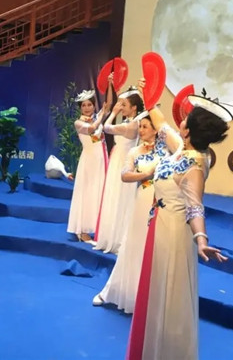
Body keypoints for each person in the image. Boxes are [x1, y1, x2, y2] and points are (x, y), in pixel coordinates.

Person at [126, 91, 231, 360]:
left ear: (187, 130)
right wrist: (148, 93)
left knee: (169, 299)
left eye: (186, 119)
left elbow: (195, 206)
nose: (180, 121)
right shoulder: (183, 148)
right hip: (159, 226)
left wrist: (201, 239)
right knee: (156, 295)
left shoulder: (194, 165)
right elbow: (160, 123)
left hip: (173, 234)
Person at [93, 111, 168, 312]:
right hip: (141, 200)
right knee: (134, 244)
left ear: (155, 130)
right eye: (140, 126)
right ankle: (121, 291)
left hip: (161, 203)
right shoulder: (135, 152)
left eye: (145, 127)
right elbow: (124, 175)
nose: (141, 130)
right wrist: (145, 174)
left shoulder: (167, 152)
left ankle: (149, 299)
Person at [94, 86, 144, 253]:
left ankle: (118, 238)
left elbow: (107, 127)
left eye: (124, 105)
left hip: (123, 162)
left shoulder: (131, 125)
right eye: (120, 104)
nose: (121, 107)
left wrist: (113, 113)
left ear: (134, 107)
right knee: (114, 197)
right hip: (118, 160)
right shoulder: (130, 122)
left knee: (120, 198)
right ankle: (110, 235)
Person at [67, 89, 109, 242]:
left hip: (100, 160)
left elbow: (109, 104)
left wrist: (110, 83)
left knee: (98, 193)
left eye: (89, 105)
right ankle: (82, 230)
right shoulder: (79, 123)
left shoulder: (97, 117)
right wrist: (101, 116)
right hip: (89, 161)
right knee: (86, 193)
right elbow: (92, 129)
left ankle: (95, 228)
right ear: (80, 108)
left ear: (93, 105)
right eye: (83, 105)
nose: (87, 108)